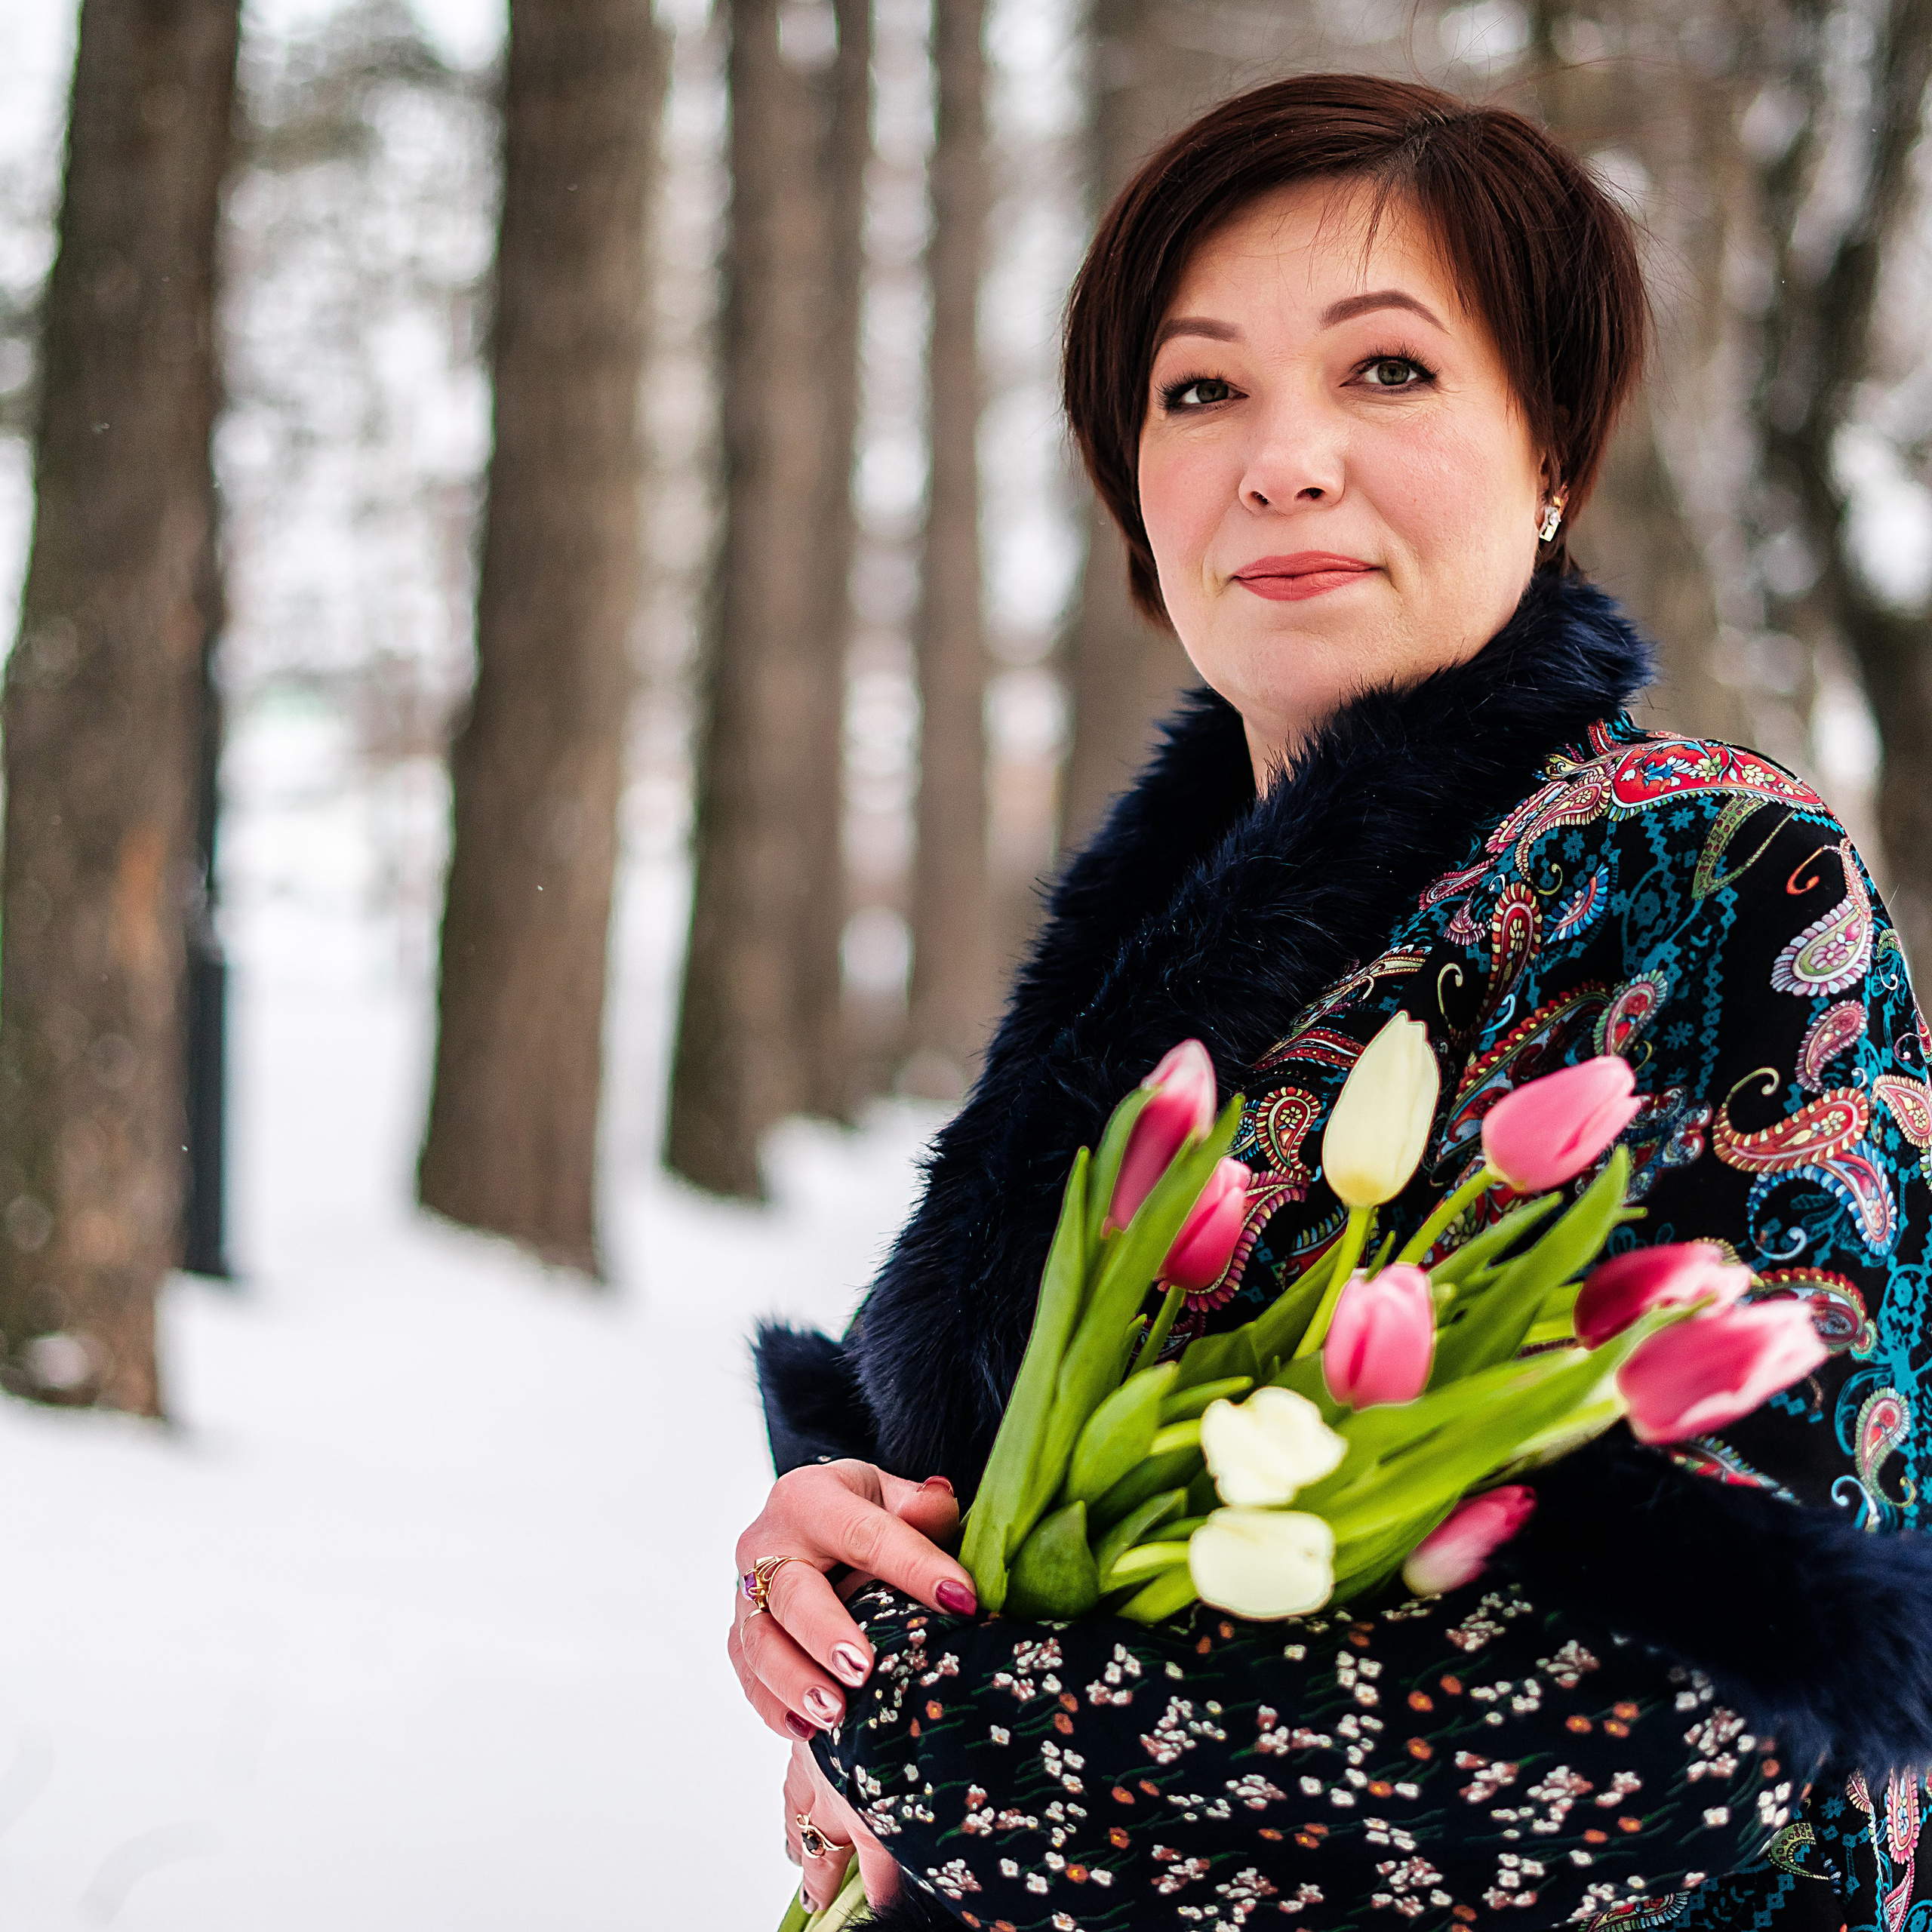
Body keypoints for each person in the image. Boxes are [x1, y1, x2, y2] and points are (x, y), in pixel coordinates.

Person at [728, 74, 1932, 1932]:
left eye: (1386, 369)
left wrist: (933, 1726)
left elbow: (1699, 1722)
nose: (1281, 455)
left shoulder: (1704, 879)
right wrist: (838, 1583)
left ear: (1550, 453)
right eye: (1198, 389)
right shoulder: (1167, 977)